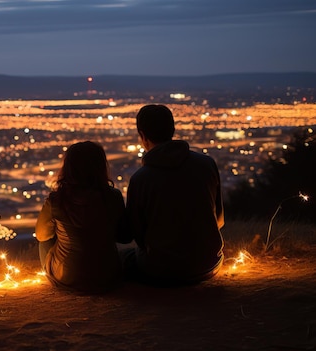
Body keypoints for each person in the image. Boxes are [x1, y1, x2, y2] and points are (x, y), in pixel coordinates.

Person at [123, 104, 225, 286]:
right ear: (173, 129)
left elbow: (136, 234)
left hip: (161, 270)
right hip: (209, 264)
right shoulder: (207, 164)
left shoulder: (141, 179)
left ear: (143, 136)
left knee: (121, 258)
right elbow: (219, 219)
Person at [35, 141, 128, 293]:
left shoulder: (57, 200)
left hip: (68, 278)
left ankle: (64, 273)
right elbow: (124, 236)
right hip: (108, 277)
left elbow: (41, 235)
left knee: (45, 240)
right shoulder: (113, 197)